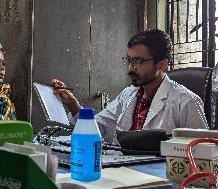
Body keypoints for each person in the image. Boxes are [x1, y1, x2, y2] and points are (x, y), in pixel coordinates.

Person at [52, 29, 208, 142]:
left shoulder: (186, 101)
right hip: (123, 170)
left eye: (138, 62)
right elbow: (96, 127)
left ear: (162, 65)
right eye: (129, 60)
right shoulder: (128, 95)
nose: (130, 68)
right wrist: (72, 103)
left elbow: (204, 152)